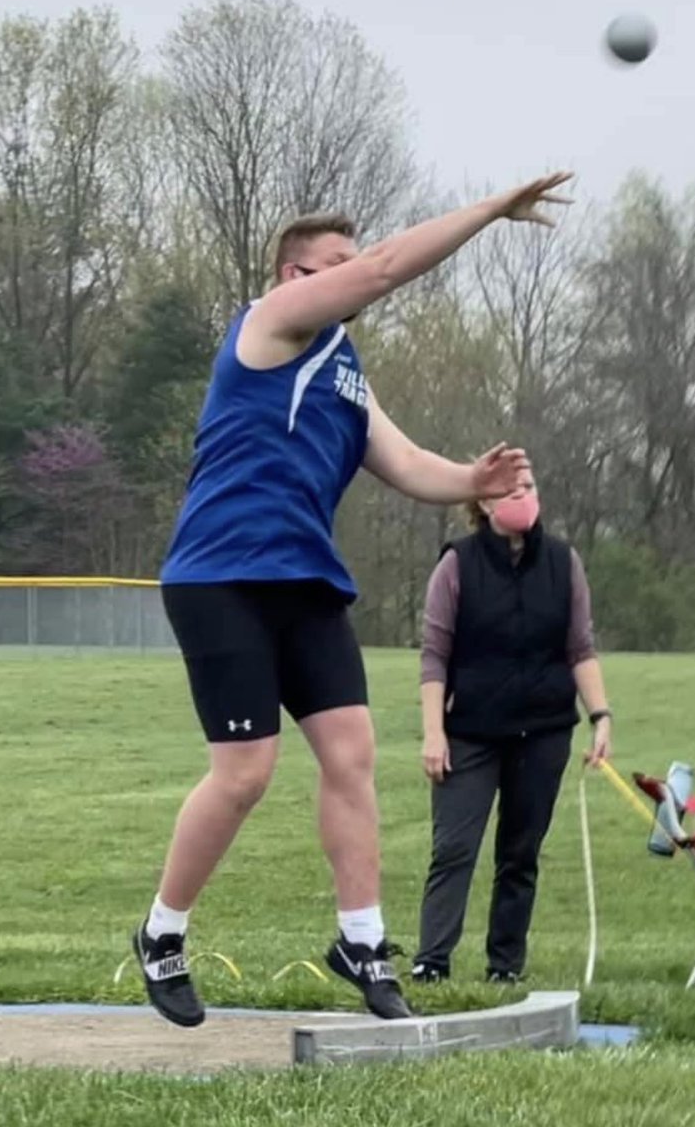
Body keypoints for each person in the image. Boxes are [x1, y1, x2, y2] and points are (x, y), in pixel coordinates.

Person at [131, 173, 574, 1026]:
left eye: (351, 260)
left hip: (305, 584)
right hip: (222, 577)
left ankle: (362, 942)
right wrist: (485, 211)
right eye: (334, 263)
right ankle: (161, 932)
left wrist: (473, 482)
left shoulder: (344, 372)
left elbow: (410, 467)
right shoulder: (268, 327)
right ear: (295, 279)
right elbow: (379, 270)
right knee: (246, 772)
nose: (356, 274)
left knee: (352, 753)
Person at [411, 465, 612, 983]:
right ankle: (432, 959)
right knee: (454, 848)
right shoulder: (458, 564)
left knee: (520, 853)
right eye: (510, 489)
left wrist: (600, 716)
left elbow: (580, 648)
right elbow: (435, 655)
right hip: (471, 731)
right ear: (484, 503)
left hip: (543, 730)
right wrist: (434, 733)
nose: (522, 496)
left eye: (529, 487)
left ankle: (505, 966)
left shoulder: (564, 563)